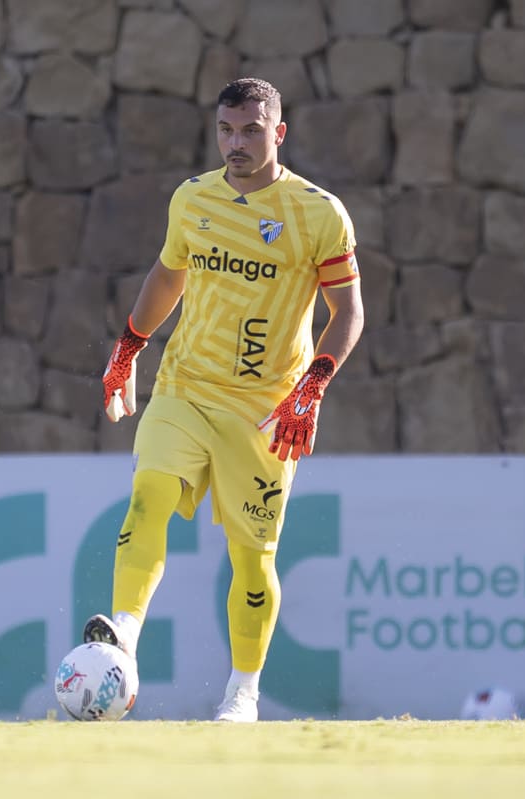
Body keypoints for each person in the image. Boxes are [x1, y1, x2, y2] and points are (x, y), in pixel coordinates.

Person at [85, 77, 364, 722]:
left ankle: (243, 692)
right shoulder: (193, 199)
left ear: (278, 133)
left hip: (264, 409)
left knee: (252, 557)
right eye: (226, 130)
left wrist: (312, 387)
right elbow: (168, 273)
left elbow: (347, 310)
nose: (236, 144)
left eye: (250, 131)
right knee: (149, 492)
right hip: (185, 385)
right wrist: (130, 347)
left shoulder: (319, 213)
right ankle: (124, 633)